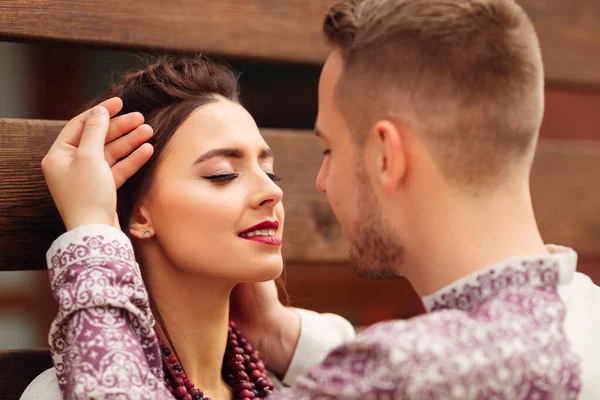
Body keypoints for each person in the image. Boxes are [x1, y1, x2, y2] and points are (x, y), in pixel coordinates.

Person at [33, 0, 600, 398]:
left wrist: (92, 235)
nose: (307, 185)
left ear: (386, 156)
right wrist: (282, 337)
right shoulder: (585, 317)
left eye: (327, 148)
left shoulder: (405, 371)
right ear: (141, 212)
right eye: (224, 173)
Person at [21, 57, 355, 400]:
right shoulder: (66, 391)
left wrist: (275, 333)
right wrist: (92, 222)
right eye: (223, 174)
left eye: (270, 172)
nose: (273, 192)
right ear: (139, 217)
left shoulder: (288, 385)